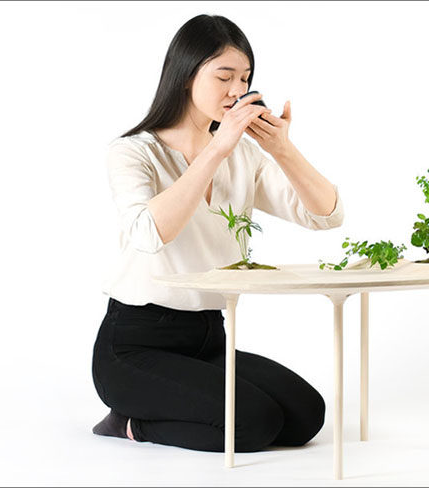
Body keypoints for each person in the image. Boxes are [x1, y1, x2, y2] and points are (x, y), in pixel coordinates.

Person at [91, 14, 345, 453]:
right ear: (186, 75)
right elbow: (150, 233)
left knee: (306, 414)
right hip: (135, 344)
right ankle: (131, 424)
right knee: (252, 423)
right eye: (224, 76)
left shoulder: (245, 155)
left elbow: (325, 214)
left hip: (208, 337)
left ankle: (175, 405)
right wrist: (217, 148)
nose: (236, 90)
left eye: (244, 78)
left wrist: (282, 149)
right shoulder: (134, 152)